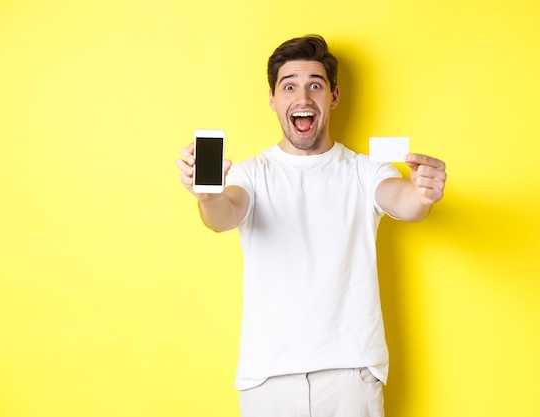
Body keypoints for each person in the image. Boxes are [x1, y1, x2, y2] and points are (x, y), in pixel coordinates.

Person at [176, 34, 447, 417]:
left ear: (332, 97)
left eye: (315, 86)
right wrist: (208, 196)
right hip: (268, 377)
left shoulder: (365, 170)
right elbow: (223, 215)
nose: (302, 99)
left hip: (350, 373)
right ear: (273, 100)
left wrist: (421, 195)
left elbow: (402, 201)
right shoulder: (250, 175)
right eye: (289, 87)